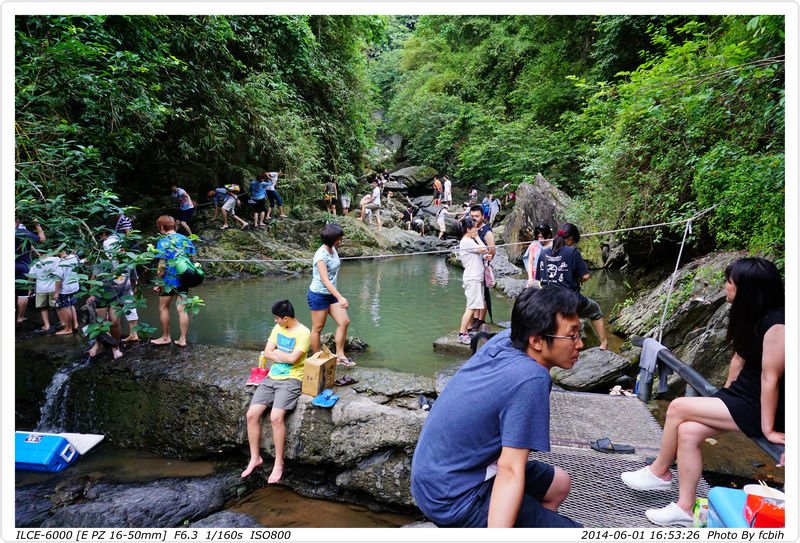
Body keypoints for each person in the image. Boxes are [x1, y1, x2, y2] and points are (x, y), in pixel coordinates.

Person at [620, 257, 784, 526]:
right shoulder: (748, 313)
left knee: (677, 407)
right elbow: (739, 359)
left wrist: (767, 429)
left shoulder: (778, 324)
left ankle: (659, 472)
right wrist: (724, 394)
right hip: (741, 396)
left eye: (729, 282)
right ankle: (685, 509)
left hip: (762, 405)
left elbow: (771, 378)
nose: (725, 287)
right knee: (687, 431)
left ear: (746, 289)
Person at [411, 287, 584, 528]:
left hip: (435, 474)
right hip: (454, 496)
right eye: (572, 336)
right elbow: (510, 469)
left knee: (559, 484)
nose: (580, 344)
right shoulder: (531, 378)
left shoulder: (510, 338)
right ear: (536, 340)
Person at [241, 299, 311, 484]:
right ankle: (255, 457)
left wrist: (278, 355)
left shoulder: (304, 333)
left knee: (275, 417)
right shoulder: (278, 328)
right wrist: (283, 357)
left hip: (292, 379)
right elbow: (267, 351)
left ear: (286, 318)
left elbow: (294, 360)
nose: (275, 321)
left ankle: (279, 463)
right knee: (251, 415)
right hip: (272, 377)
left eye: (277, 318)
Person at [537, 223, 608, 350]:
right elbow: (586, 276)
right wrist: (578, 279)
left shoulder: (543, 253)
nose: (573, 244)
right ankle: (603, 343)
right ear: (570, 239)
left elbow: (540, 279)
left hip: (548, 300)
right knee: (595, 310)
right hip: (568, 300)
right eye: (574, 241)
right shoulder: (572, 251)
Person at [307, 224, 355, 367]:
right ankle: (316, 358)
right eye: (339, 239)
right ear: (333, 239)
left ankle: (340, 354)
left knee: (344, 321)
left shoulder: (333, 249)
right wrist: (340, 297)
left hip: (331, 293)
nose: (341, 241)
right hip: (319, 294)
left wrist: (336, 296)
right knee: (318, 328)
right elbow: (325, 280)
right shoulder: (321, 256)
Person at [151, 215, 196, 348]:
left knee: (163, 307)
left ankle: (165, 337)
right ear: (174, 226)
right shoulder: (185, 239)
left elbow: (162, 264)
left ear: (161, 227)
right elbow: (191, 259)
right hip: (184, 278)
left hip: (169, 280)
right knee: (182, 309)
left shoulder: (163, 241)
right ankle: (183, 339)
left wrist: (158, 282)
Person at [456, 217, 488, 345]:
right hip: (472, 278)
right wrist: (478, 237)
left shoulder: (467, 241)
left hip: (473, 277)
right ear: (468, 229)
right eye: (474, 227)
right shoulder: (468, 241)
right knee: (471, 307)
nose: (476, 229)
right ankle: (462, 334)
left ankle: (468, 330)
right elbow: (485, 248)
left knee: (471, 305)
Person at [469, 204, 496, 329]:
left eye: (477, 216)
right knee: (474, 293)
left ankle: (480, 319)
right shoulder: (470, 228)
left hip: (483, 265)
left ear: (482, 216)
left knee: (483, 294)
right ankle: (475, 317)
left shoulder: (486, 231)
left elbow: (492, 249)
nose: (474, 218)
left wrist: (489, 257)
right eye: (472, 216)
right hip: (472, 265)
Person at [15, 218, 46, 323]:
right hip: (21, 267)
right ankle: (20, 318)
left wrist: (36, 253)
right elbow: (42, 239)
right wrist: (37, 224)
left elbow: (29, 244)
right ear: (18, 221)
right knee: (22, 294)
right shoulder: (22, 232)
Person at [28, 253, 62, 333]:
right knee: (57, 306)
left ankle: (47, 325)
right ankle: (62, 322)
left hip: (41, 289)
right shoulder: (55, 259)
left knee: (43, 307)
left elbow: (30, 277)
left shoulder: (36, 263)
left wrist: (30, 289)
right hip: (53, 287)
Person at [52, 248, 81, 336]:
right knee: (71, 304)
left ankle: (68, 328)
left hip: (65, 288)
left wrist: (56, 292)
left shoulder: (60, 263)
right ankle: (75, 324)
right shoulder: (74, 257)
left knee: (65, 307)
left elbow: (58, 279)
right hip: (74, 286)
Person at [525, 223, 553, 288]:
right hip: (535, 276)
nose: (540, 239)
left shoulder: (553, 245)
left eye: (542, 237)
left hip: (549, 275)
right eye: (538, 237)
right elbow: (530, 263)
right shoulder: (534, 245)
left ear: (548, 235)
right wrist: (530, 278)